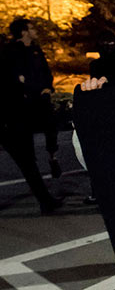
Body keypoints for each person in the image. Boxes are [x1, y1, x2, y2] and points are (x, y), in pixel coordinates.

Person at [5, 18, 61, 178]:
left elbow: (45, 71)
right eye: (31, 28)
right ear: (23, 32)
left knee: (50, 126)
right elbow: (15, 77)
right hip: (24, 100)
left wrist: (48, 87)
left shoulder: (36, 50)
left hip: (42, 96)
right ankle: (32, 167)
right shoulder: (12, 52)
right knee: (25, 135)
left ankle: (52, 157)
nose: (35, 31)